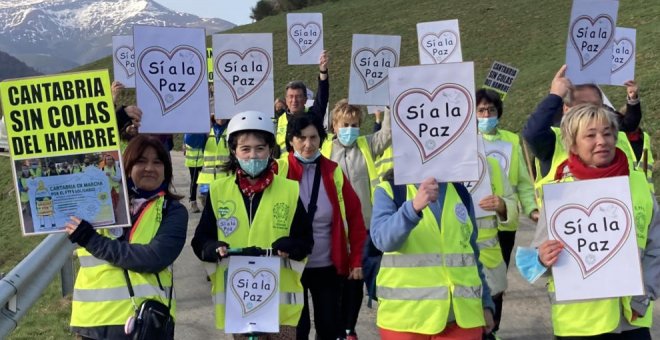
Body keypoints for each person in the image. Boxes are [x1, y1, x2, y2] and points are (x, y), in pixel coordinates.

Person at [524, 104, 660, 339]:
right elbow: (535, 262)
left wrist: (646, 292)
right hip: (579, 323)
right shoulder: (560, 194)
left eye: (607, 133)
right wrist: (542, 258)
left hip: (631, 319)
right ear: (573, 144)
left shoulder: (637, 183)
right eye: (590, 135)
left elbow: (655, 243)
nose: (602, 141)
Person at [191, 110, 313, 338]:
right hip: (240, 307)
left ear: (270, 150)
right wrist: (210, 248)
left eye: (260, 148)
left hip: (281, 312)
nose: (253, 156)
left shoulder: (288, 190)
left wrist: (293, 246)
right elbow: (200, 240)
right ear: (234, 152)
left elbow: (306, 241)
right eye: (245, 149)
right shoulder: (219, 191)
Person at [65, 135, 188, 340]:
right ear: (127, 166)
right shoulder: (99, 202)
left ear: (166, 170)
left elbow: (153, 258)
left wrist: (91, 240)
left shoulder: (172, 210)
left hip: (146, 322)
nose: (150, 168)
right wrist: (120, 116)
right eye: (141, 161)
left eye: (157, 162)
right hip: (93, 322)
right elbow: (83, 140)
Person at [370, 170, 495, 339]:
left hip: (462, 319)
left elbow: (471, 255)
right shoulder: (389, 190)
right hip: (406, 322)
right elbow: (382, 240)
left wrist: (485, 303)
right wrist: (413, 208)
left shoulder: (460, 193)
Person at [278, 114, 366, 340]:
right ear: (291, 141)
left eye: (313, 137)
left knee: (329, 327)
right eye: (301, 138)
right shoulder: (278, 170)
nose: (308, 144)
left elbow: (355, 218)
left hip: (327, 264)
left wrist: (356, 259)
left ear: (321, 139)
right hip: (289, 266)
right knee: (298, 329)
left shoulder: (333, 171)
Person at [523, 65, 642, 204]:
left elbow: (630, 124)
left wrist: (632, 99)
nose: (601, 142)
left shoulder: (616, 135)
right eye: (583, 105)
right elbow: (533, 133)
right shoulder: (554, 141)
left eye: (596, 105)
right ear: (566, 109)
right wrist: (554, 95)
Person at [326, 100, 391, 339]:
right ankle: (335, 328)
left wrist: (389, 104)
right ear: (335, 125)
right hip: (333, 230)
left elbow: (387, 132)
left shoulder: (367, 146)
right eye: (345, 124)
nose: (350, 129)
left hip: (363, 227)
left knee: (356, 279)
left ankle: (349, 329)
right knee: (335, 282)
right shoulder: (324, 151)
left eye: (354, 124)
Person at [476, 89, 540, 268]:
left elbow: (523, 182)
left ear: (498, 112)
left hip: (505, 220)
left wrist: (531, 209)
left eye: (491, 110)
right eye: (481, 110)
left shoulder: (511, 140)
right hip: (478, 219)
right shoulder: (467, 142)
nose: (486, 115)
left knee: (498, 280)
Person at [275, 50, 330, 150]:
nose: (294, 100)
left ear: (305, 99)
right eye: (291, 97)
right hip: (285, 164)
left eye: (298, 96)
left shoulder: (313, 115)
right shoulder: (279, 118)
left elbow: (323, 96)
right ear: (286, 99)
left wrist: (323, 71)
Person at [197, 114, 230, 206]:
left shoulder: (233, 129)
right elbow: (192, 142)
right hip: (207, 183)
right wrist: (202, 124)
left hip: (227, 180)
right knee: (209, 215)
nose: (221, 116)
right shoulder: (206, 130)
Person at [183, 133, 206, 213]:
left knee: (205, 181)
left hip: (206, 160)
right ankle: (193, 202)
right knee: (194, 181)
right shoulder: (189, 131)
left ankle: (203, 197)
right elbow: (190, 141)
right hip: (193, 161)